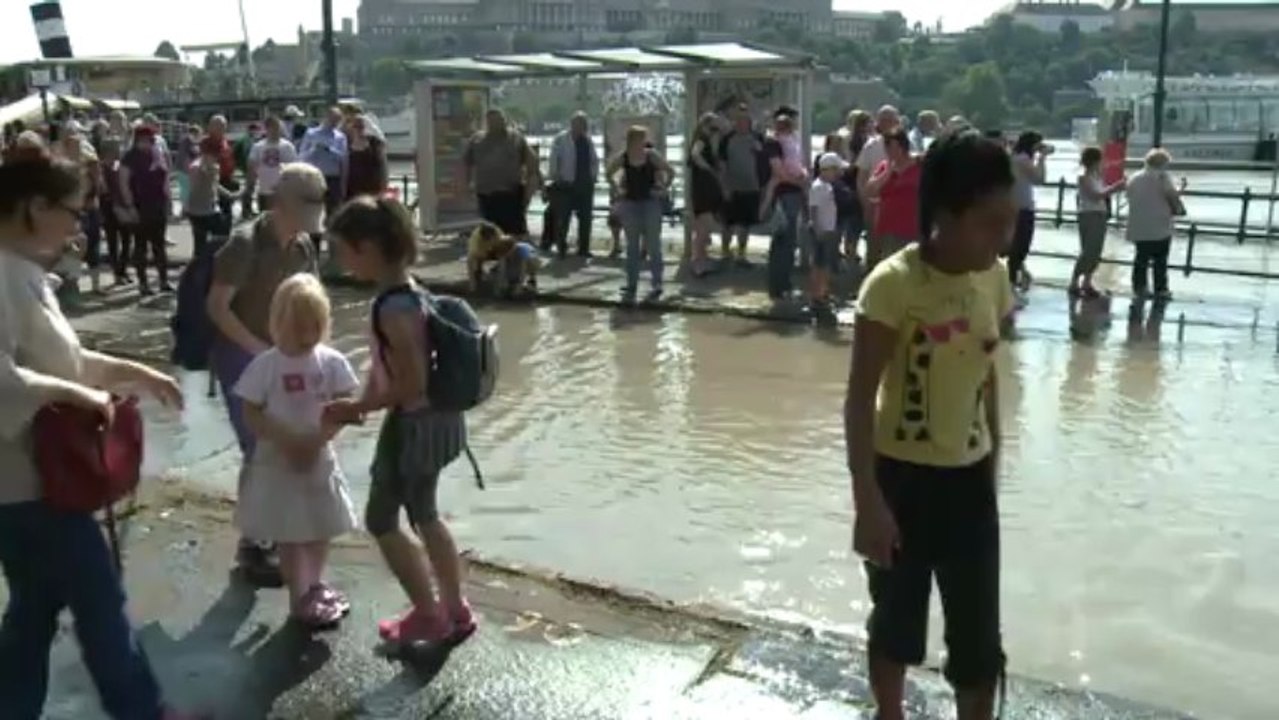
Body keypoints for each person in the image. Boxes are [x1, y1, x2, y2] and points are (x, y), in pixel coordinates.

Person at [0, 149, 197, 720]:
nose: (79, 223)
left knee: (34, 611)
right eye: (72, 209)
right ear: (34, 206)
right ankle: (144, 712)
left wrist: (136, 373)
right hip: (29, 487)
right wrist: (76, 395)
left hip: (30, 486)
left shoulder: (23, 272)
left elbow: (64, 360)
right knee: (100, 601)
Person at [845, 129, 1015, 720]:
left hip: (969, 482)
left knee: (978, 641)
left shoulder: (994, 278)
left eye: (1009, 222)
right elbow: (858, 400)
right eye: (990, 223)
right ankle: (887, 712)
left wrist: (993, 471)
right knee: (895, 625)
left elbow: (988, 379)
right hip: (901, 481)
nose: (1004, 238)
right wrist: (868, 502)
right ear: (945, 215)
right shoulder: (892, 286)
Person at [323, 196, 476, 649]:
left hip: (414, 427)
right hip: (440, 422)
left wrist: (360, 409)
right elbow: (384, 368)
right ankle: (455, 608)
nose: (340, 260)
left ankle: (429, 616)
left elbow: (410, 382)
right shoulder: (410, 293)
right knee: (426, 514)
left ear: (367, 247)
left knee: (382, 519)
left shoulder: (393, 308)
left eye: (343, 250)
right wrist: (360, 402)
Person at [207, 163, 325, 586]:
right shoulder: (244, 245)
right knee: (258, 450)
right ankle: (254, 546)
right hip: (242, 356)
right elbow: (217, 308)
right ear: (281, 201)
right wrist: (261, 352)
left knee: (276, 449)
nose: (315, 211)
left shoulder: (303, 246)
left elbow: (310, 301)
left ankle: (272, 533)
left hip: (283, 358)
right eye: (307, 202)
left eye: (320, 200)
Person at [233, 273, 358, 629]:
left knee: (320, 524)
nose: (306, 336)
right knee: (289, 531)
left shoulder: (331, 361)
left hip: (319, 457)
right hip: (277, 461)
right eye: (297, 327)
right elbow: (251, 411)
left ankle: (315, 583)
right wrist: (286, 439)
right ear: (276, 323)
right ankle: (298, 595)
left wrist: (319, 438)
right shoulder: (266, 365)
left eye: (315, 327)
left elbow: (345, 406)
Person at [607, 125, 674, 302]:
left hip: (650, 202)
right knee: (632, 246)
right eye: (639, 139)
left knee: (653, 245)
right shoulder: (624, 157)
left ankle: (657, 283)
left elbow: (670, 171)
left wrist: (663, 189)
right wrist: (617, 189)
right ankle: (631, 284)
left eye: (643, 139)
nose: (642, 143)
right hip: (630, 203)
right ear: (632, 140)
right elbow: (608, 173)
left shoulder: (651, 155)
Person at [463, 108, 541, 242]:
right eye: (492, 121)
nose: (497, 124)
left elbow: (532, 164)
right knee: (488, 236)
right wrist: (467, 186)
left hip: (510, 195)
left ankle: (514, 259)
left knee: (514, 236)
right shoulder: (477, 140)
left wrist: (529, 190)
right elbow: (466, 164)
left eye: (500, 120)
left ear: (505, 121)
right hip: (486, 196)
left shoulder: (516, 138)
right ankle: (495, 258)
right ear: (487, 123)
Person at [1125, 148, 1186, 301]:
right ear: (1163, 164)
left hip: (1139, 225)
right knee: (1160, 260)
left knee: (1141, 259)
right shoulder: (1162, 177)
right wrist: (1179, 204)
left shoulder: (1135, 177)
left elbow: (1130, 196)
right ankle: (1161, 289)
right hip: (1159, 224)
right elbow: (1170, 194)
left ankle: (1140, 288)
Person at [117, 127, 171, 295]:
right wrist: (130, 206)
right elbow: (123, 183)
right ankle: (143, 284)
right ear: (138, 139)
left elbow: (165, 176)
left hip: (158, 204)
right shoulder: (130, 157)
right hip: (140, 206)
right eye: (145, 138)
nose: (148, 142)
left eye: (150, 139)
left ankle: (163, 281)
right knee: (140, 246)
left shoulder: (157, 154)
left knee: (159, 246)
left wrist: (168, 201)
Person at [762, 106, 809, 300]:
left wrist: (802, 178)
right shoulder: (773, 143)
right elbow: (779, 172)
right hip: (784, 194)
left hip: (792, 192)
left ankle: (783, 284)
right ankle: (779, 286)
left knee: (788, 241)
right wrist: (800, 181)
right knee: (783, 241)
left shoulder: (789, 142)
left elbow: (798, 165)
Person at [1071, 146, 1126, 298]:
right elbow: (1095, 195)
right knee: (1088, 250)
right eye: (1101, 160)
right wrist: (1116, 187)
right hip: (1089, 214)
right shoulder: (1084, 177)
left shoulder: (1097, 177)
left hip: (1099, 214)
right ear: (1095, 161)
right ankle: (1074, 281)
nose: (1103, 163)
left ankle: (1087, 282)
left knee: (1096, 251)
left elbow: (1110, 168)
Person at [545, 111, 600, 259]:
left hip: (585, 184)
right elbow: (553, 159)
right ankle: (561, 246)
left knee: (586, 218)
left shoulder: (588, 141)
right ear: (572, 124)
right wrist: (555, 176)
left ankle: (583, 248)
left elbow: (594, 160)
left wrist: (593, 177)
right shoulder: (561, 139)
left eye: (584, 124)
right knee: (563, 217)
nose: (582, 127)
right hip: (565, 184)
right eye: (579, 123)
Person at [717, 103, 766, 266]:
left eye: (745, 119)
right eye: (738, 119)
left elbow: (764, 159)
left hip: (751, 186)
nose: (742, 122)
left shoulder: (757, 137)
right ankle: (724, 251)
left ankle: (741, 254)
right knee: (728, 222)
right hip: (732, 186)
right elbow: (722, 164)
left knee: (745, 223)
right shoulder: (726, 139)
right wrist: (724, 186)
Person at [864, 128, 923, 264]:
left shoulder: (920, 165)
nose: (892, 152)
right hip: (889, 225)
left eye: (896, 147)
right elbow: (870, 190)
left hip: (913, 225)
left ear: (904, 146)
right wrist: (888, 172)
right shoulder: (885, 167)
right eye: (888, 147)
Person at [856, 106, 903, 266]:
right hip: (875, 202)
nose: (887, 124)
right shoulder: (871, 146)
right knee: (874, 245)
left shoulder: (906, 145)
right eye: (883, 120)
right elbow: (861, 176)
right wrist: (865, 202)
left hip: (899, 204)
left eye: (891, 120)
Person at [299, 107, 350, 247]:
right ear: (327, 117)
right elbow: (301, 156)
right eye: (333, 119)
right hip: (315, 177)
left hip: (333, 178)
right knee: (314, 212)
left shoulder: (340, 137)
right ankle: (314, 247)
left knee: (333, 213)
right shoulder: (311, 133)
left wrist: (330, 150)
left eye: (337, 120)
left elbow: (343, 159)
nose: (335, 123)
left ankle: (334, 249)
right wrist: (314, 149)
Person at [1009, 131, 1051, 295]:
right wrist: (1043, 158)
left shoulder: (1015, 158)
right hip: (1022, 208)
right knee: (1020, 247)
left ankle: (1015, 281)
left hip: (1015, 206)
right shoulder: (1022, 160)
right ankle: (1011, 285)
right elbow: (1039, 179)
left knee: (1016, 247)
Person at [688, 112, 724, 276]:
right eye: (713, 127)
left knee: (704, 228)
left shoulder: (708, 140)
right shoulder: (701, 139)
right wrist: (708, 169)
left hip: (706, 189)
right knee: (703, 228)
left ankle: (702, 259)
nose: (715, 131)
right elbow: (695, 155)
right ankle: (697, 261)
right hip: (702, 190)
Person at [467, 220, 542, 297]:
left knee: (526, 266)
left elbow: (522, 270)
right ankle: (481, 273)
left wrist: (519, 286)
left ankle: (531, 279)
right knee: (504, 275)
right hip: (488, 249)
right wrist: (499, 286)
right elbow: (502, 267)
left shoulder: (521, 250)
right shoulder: (475, 244)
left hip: (531, 260)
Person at [808, 152, 845, 308]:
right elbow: (813, 210)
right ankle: (817, 294)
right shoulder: (818, 187)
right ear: (827, 169)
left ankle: (823, 292)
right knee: (819, 264)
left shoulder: (828, 186)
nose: (837, 175)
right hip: (821, 231)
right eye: (835, 171)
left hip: (829, 229)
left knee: (825, 264)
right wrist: (817, 229)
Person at [187, 138, 233, 258]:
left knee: (221, 238)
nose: (215, 158)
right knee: (200, 244)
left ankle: (214, 264)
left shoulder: (215, 167)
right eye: (213, 154)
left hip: (211, 208)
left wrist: (230, 194)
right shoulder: (195, 167)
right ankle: (197, 270)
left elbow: (214, 184)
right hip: (197, 211)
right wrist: (203, 172)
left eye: (216, 155)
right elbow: (193, 188)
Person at [249, 116, 299, 213]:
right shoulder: (258, 147)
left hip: (283, 192)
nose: (276, 130)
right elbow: (252, 167)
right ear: (266, 129)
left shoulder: (287, 146)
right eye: (272, 127)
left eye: (278, 127)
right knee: (265, 221)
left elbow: (294, 169)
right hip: (264, 191)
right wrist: (250, 186)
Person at [100, 138, 133, 285]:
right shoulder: (102, 168)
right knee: (113, 242)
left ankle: (123, 270)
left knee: (127, 240)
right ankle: (117, 273)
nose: (119, 151)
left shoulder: (120, 166)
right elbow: (104, 190)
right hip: (108, 208)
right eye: (116, 148)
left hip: (123, 206)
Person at [345, 114, 389, 201]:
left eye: (361, 127)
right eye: (355, 127)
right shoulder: (346, 144)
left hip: (372, 188)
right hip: (352, 189)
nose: (358, 129)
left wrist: (383, 186)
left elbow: (382, 166)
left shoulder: (374, 143)